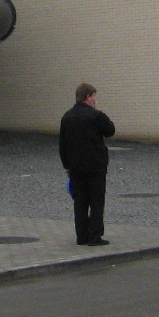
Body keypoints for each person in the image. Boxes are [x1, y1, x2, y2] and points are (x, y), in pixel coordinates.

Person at [59, 82, 115, 247]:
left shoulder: (67, 116)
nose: (95, 100)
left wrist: (66, 164)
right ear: (89, 96)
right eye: (94, 96)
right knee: (96, 201)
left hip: (76, 167)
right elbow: (110, 130)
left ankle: (81, 236)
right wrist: (99, 111)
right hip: (95, 166)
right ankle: (94, 236)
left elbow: (63, 144)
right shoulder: (95, 116)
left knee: (80, 202)